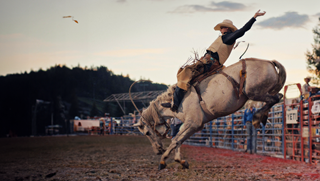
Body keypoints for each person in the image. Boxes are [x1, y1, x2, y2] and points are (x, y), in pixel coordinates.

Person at [161, 10, 266, 112]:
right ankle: (178, 101)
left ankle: (175, 103)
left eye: (222, 27)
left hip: (209, 63)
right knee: (189, 79)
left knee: (184, 73)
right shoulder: (225, 38)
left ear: (226, 28)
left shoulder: (227, 37)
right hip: (208, 62)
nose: (221, 29)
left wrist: (254, 17)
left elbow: (242, 30)